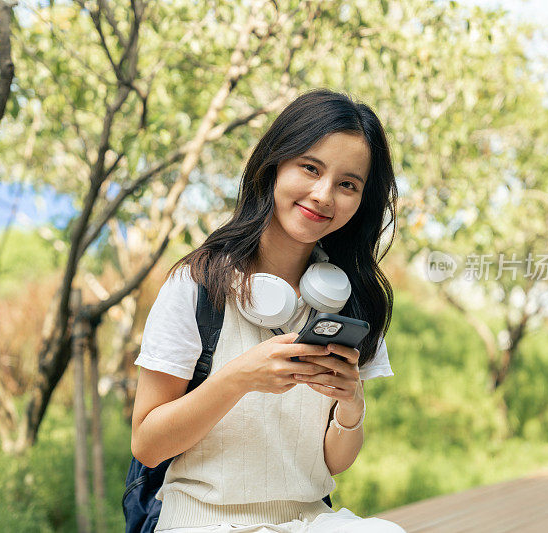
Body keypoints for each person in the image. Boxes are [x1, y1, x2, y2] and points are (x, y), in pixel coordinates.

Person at [131, 89, 405, 532]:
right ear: (275, 164)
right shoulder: (197, 286)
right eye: (310, 168)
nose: (323, 195)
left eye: (347, 184)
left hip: (309, 519)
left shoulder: (349, 301)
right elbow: (147, 444)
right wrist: (240, 377)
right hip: (203, 520)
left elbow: (335, 462)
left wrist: (351, 404)